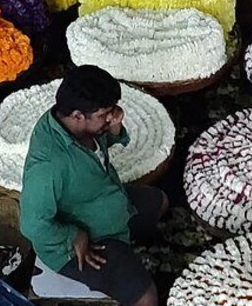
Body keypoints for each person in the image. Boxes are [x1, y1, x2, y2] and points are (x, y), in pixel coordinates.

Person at [19, 66, 167, 306]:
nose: (110, 117)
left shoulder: (71, 121)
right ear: (78, 116)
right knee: (147, 299)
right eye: (104, 114)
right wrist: (73, 235)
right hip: (81, 244)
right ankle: (116, 257)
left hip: (104, 200)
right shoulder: (49, 165)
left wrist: (114, 127)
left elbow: (100, 145)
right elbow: (31, 224)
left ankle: (124, 244)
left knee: (159, 201)